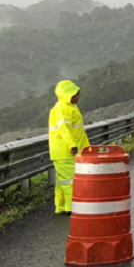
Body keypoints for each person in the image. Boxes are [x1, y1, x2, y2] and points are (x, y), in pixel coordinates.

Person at [48, 80, 90, 215]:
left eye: (78, 94)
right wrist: (72, 145)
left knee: (63, 180)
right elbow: (64, 129)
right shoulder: (63, 109)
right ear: (67, 95)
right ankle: (70, 207)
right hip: (65, 150)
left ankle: (60, 207)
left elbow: (78, 131)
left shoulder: (70, 107)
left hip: (65, 150)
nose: (78, 97)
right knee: (70, 181)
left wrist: (85, 147)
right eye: (75, 95)